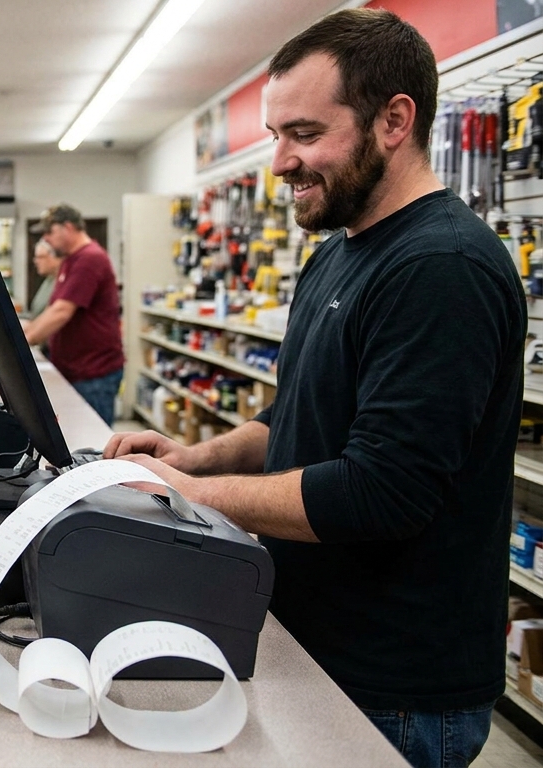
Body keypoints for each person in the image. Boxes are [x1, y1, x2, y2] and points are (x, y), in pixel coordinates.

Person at [106, 10, 524, 768]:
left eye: (302, 133)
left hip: (394, 686)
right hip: (318, 640)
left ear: (394, 120)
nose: (280, 163)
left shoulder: (441, 267)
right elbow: (299, 413)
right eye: (273, 136)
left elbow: (380, 493)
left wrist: (186, 496)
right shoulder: (339, 254)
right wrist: (196, 458)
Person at [21, 204, 124, 425]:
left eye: (50, 232)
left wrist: (23, 341)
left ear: (67, 227)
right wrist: (25, 330)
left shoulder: (89, 259)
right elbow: (53, 308)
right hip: (77, 370)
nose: (46, 239)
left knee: (93, 448)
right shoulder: (71, 260)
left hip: (93, 373)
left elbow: (61, 311)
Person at [22, 239, 62, 319]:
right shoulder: (49, 280)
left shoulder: (63, 282)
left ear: (54, 257)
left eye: (40, 257)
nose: (36, 261)